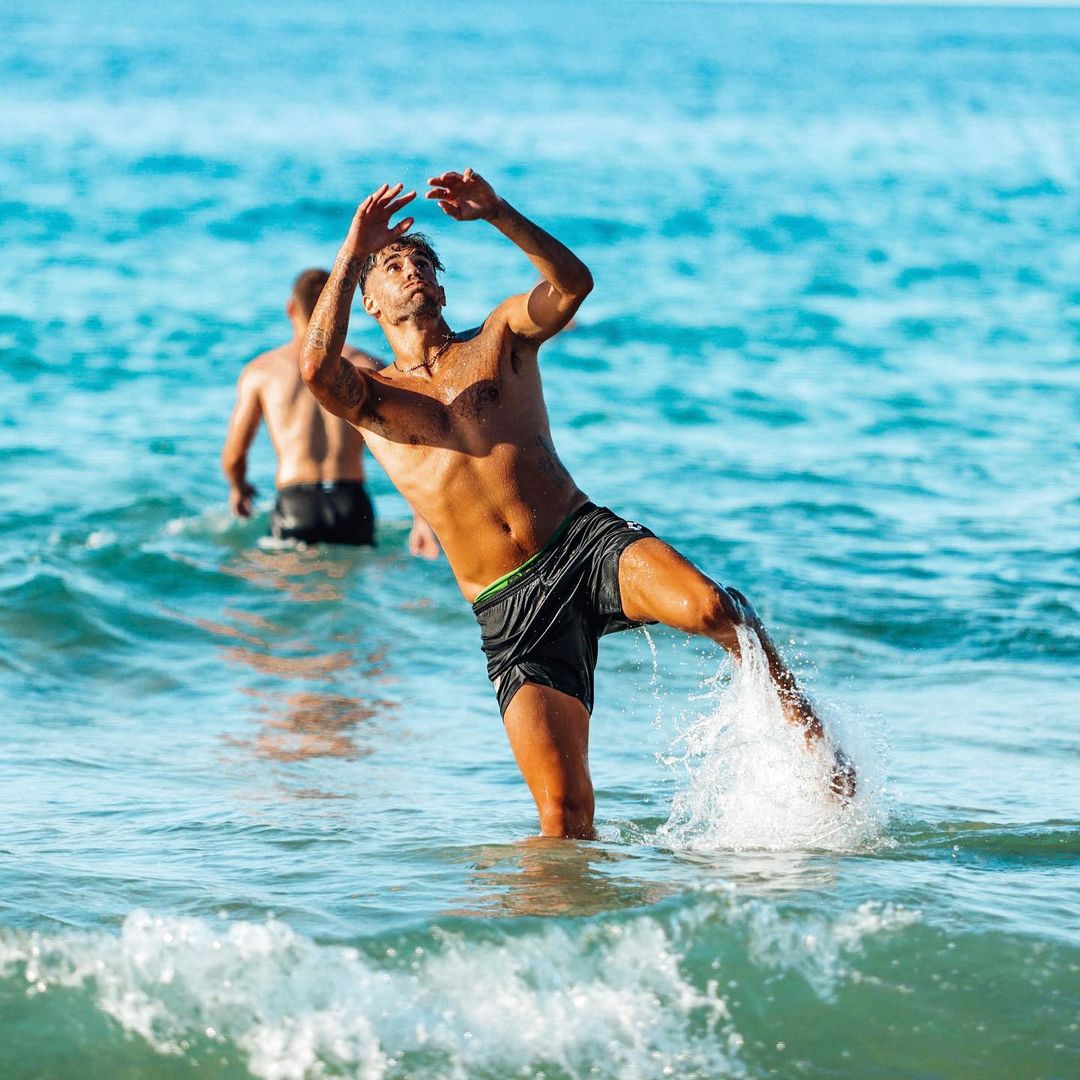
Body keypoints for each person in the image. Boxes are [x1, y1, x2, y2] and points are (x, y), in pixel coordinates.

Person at [300, 171, 854, 839]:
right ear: (369, 303)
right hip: (510, 606)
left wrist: (498, 212)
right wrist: (352, 249)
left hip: (584, 542)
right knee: (564, 820)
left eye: (421, 262)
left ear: (441, 289)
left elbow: (572, 285)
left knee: (713, 609)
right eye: (392, 265)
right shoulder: (374, 399)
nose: (411, 270)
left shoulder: (498, 338)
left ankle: (803, 726)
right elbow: (315, 370)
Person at [222, 268, 439, 557]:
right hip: (351, 505)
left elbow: (234, 456)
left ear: (290, 308)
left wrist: (238, 488)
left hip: (296, 505)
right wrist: (421, 520)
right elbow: (407, 449)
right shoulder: (369, 365)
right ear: (337, 307)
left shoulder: (261, 371)